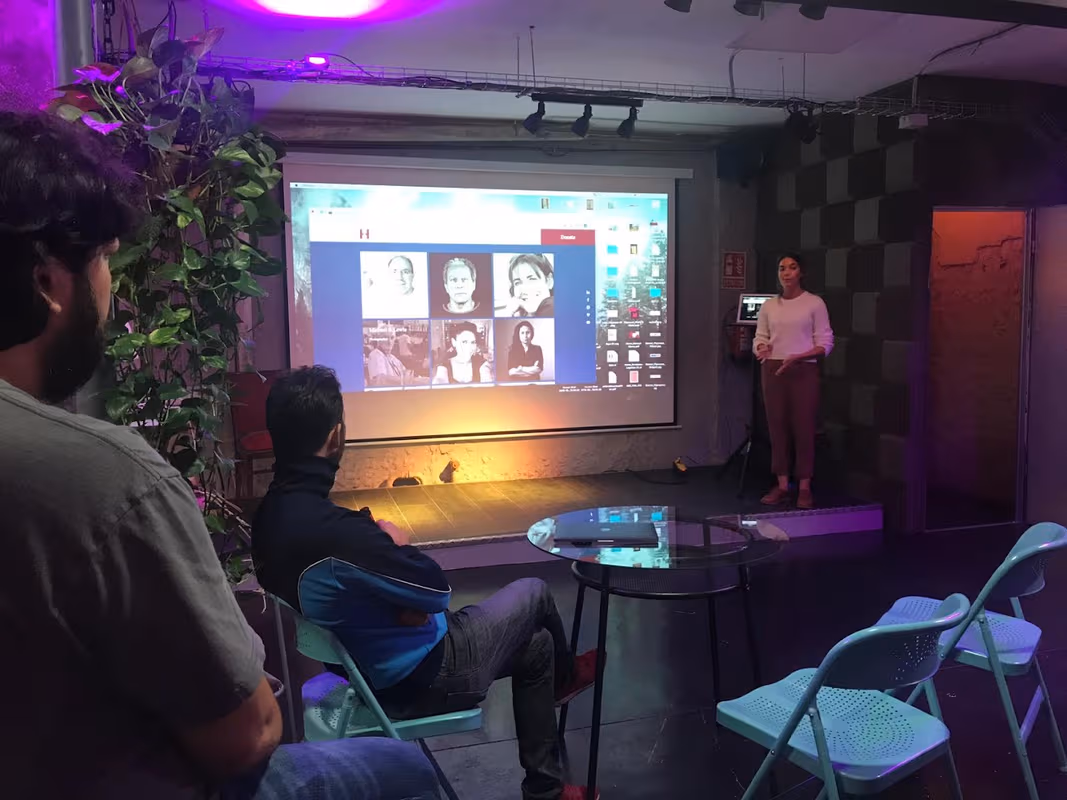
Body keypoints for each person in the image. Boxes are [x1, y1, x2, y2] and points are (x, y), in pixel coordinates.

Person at [0, 111, 440, 800]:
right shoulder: (104, 478)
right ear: (49, 282)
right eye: (105, 260)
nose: (109, 290)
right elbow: (247, 732)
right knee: (406, 771)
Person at [251, 366, 600, 800]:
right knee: (535, 590)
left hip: (369, 667)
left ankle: (546, 791)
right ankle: (567, 679)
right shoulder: (339, 536)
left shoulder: (270, 520)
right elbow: (435, 589)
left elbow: (366, 585)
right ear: (336, 436)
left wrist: (396, 594)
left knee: (538, 647)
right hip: (426, 673)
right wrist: (391, 536)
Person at [753, 252, 834, 510]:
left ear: (801, 272)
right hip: (773, 370)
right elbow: (760, 337)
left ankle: (805, 486)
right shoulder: (769, 306)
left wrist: (798, 357)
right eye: (782, 268)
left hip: (803, 369)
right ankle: (782, 484)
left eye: (792, 267)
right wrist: (762, 347)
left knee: (803, 428)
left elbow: (826, 343)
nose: (786, 273)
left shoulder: (814, 303)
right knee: (777, 427)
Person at [432, 320, 493, 384]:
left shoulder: (481, 365)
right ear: (454, 342)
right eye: (464, 342)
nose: (469, 347)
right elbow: (440, 378)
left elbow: (486, 378)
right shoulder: (445, 365)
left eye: (473, 342)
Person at [500, 253, 555, 317]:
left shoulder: (552, 306)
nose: (525, 288)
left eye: (532, 279)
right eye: (517, 283)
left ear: (549, 281)